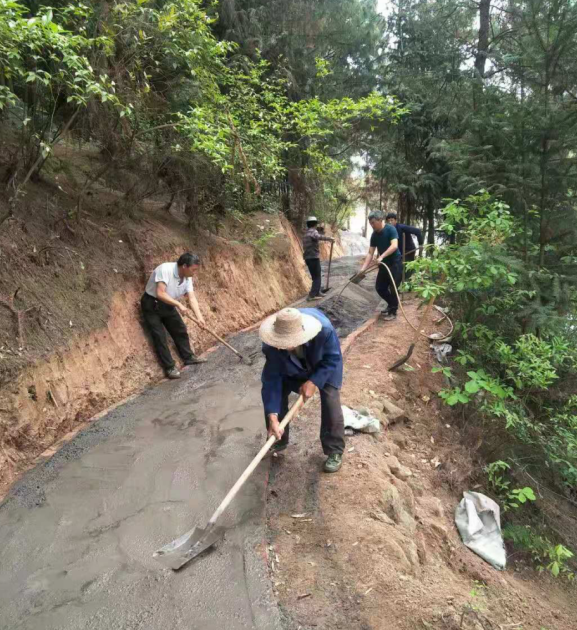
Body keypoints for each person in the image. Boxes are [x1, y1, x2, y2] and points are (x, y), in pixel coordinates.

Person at [260, 307, 345, 473]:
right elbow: (272, 380)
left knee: (330, 398)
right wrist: (272, 416)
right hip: (292, 366)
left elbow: (332, 358)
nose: (281, 346)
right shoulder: (271, 345)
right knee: (276, 399)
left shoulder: (323, 331)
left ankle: (334, 449)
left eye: (286, 343)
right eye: (280, 343)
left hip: (323, 364)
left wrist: (314, 381)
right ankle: (278, 438)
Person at [141, 253, 207, 379]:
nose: (194, 272)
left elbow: (191, 298)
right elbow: (160, 293)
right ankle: (170, 367)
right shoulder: (165, 269)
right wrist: (178, 304)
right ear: (184, 266)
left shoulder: (187, 277)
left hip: (168, 304)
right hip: (152, 304)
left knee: (180, 329)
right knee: (159, 336)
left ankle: (188, 357)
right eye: (193, 269)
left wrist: (200, 318)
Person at [360, 210, 402, 321]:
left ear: (380, 220)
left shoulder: (390, 229)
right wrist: (363, 269)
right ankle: (391, 304)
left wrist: (382, 256)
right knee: (380, 287)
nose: (372, 226)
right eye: (371, 224)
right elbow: (370, 252)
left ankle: (393, 311)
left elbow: (394, 246)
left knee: (393, 287)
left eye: (373, 223)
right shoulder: (374, 235)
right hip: (383, 265)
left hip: (394, 263)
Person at [303, 216, 334, 301]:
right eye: (316, 224)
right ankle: (312, 295)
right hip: (313, 257)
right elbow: (318, 236)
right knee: (317, 276)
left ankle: (317, 292)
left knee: (315, 276)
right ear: (314, 224)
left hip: (308, 258)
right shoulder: (313, 231)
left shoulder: (306, 233)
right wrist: (330, 238)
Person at [385, 212, 424, 277]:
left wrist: (420, 244)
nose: (390, 222)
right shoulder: (388, 231)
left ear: (396, 220)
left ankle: (407, 284)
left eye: (392, 220)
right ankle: (396, 284)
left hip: (408, 251)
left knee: (406, 269)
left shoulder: (402, 227)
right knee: (396, 269)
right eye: (388, 221)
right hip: (399, 252)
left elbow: (417, 231)